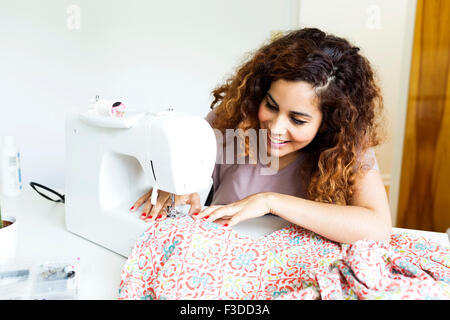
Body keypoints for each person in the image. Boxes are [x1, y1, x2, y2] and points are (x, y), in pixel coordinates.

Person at [130, 27, 391, 245]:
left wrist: (270, 202)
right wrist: (173, 185)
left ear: (329, 123)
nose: (275, 128)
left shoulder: (344, 149)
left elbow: (377, 228)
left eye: (297, 119)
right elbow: (185, 171)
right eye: (271, 106)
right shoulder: (235, 120)